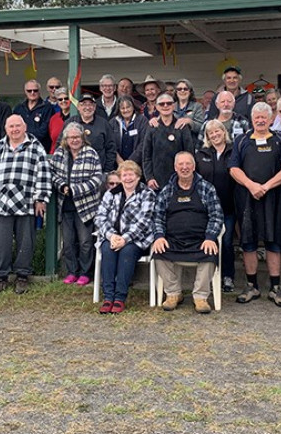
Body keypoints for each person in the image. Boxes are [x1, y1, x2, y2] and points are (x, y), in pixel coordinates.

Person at [229, 102, 281, 307]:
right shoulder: (241, 141)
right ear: (252, 119)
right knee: (248, 242)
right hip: (247, 198)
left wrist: (266, 186)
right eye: (256, 117)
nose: (260, 120)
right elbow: (233, 168)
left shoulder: (279, 140)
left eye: (263, 117)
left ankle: (276, 288)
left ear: (270, 119)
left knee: (274, 242)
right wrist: (251, 185)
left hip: (274, 198)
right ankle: (252, 286)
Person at [0, 115, 52, 295]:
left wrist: (41, 198)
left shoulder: (36, 147)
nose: (14, 129)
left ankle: (22, 278)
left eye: (17, 126)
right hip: (0, 204)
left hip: (26, 202)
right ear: (6, 129)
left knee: (25, 242)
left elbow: (43, 174)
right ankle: (0, 278)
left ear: (25, 127)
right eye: (11, 126)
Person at [153, 152, 223, 314]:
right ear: (175, 167)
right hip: (173, 240)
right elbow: (158, 216)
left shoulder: (206, 188)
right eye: (181, 164)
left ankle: (200, 297)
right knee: (158, 252)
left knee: (210, 252)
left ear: (194, 166)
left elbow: (216, 215)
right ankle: (173, 293)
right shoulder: (167, 190)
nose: (184, 167)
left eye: (188, 164)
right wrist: (159, 236)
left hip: (200, 240)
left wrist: (210, 237)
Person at [95, 160, 155, 313]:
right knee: (108, 250)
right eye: (124, 175)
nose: (128, 178)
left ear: (138, 177)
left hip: (137, 239)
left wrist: (125, 238)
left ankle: (120, 297)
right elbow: (100, 217)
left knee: (127, 252)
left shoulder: (146, 193)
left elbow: (145, 221)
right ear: (120, 178)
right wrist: (111, 235)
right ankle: (108, 297)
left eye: (131, 175)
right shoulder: (111, 193)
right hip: (112, 237)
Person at [50, 123, 103, 286]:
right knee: (68, 241)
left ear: (82, 138)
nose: (74, 140)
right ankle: (72, 271)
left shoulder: (91, 153)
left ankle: (86, 272)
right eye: (71, 137)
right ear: (66, 139)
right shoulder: (59, 153)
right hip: (65, 205)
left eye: (77, 137)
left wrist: (76, 189)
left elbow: (97, 178)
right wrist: (62, 186)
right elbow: (51, 174)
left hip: (86, 205)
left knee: (86, 242)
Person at [195, 119, 236, 292]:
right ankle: (212, 277)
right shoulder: (201, 154)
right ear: (207, 136)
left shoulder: (234, 152)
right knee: (210, 242)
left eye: (217, 131)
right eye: (211, 133)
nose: (215, 135)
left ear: (223, 132)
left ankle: (228, 276)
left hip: (228, 206)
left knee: (226, 242)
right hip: (207, 209)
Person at [142, 92, 195, 190]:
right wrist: (149, 177)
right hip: (157, 181)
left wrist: (187, 176)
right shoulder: (152, 127)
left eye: (169, 103)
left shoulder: (182, 126)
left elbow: (189, 153)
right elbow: (146, 155)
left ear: (173, 105)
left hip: (180, 180)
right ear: (156, 107)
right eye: (162, 104)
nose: (165, 106)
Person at [63, 93, 117, 174]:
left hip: (98, 172)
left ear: (95, 107)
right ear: (78, 107)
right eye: (83, 104)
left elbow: (111, 148)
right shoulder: (70, 122)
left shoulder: (104, 123)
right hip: (74, 172)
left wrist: (107, 171)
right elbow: (61, 145)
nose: (87, 107)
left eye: (90, 104)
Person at [13, 79, 55, 151]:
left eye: (35, 90)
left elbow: (44, 130)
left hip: (41, 148)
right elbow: (14, 127)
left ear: (39, 91)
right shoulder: (19, 108)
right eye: (29, 91)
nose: (32, 93)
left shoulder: (48, 108)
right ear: (25, 91)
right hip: (21, 148)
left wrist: (25, 138)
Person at [111, 95, 148, 165]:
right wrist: (119, 161)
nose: (126, 110)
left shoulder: (142, 120)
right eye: (122, 108)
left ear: (133, 107)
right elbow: (110, 144)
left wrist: (130, 162)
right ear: (118, 109)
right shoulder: (113, 122)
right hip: (118, 165)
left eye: (128, 107)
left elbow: (144, 143)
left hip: (138, 164)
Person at [48, 87, 73, 154]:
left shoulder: (76, 116)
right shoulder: (53, 118)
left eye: (66, 98)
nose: (63, 101)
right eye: (60, 99)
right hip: (55, 154)